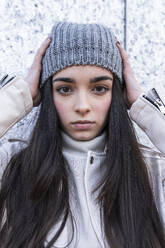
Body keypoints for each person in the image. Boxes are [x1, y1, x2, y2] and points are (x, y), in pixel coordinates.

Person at [0, 22, 165, 248]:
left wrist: (143, 108)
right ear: (49, 95)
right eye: (65, 89)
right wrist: (20, 95)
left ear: (116, 94)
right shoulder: (13, 167)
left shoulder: (152, 171)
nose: (82, 106)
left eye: (99, 88)